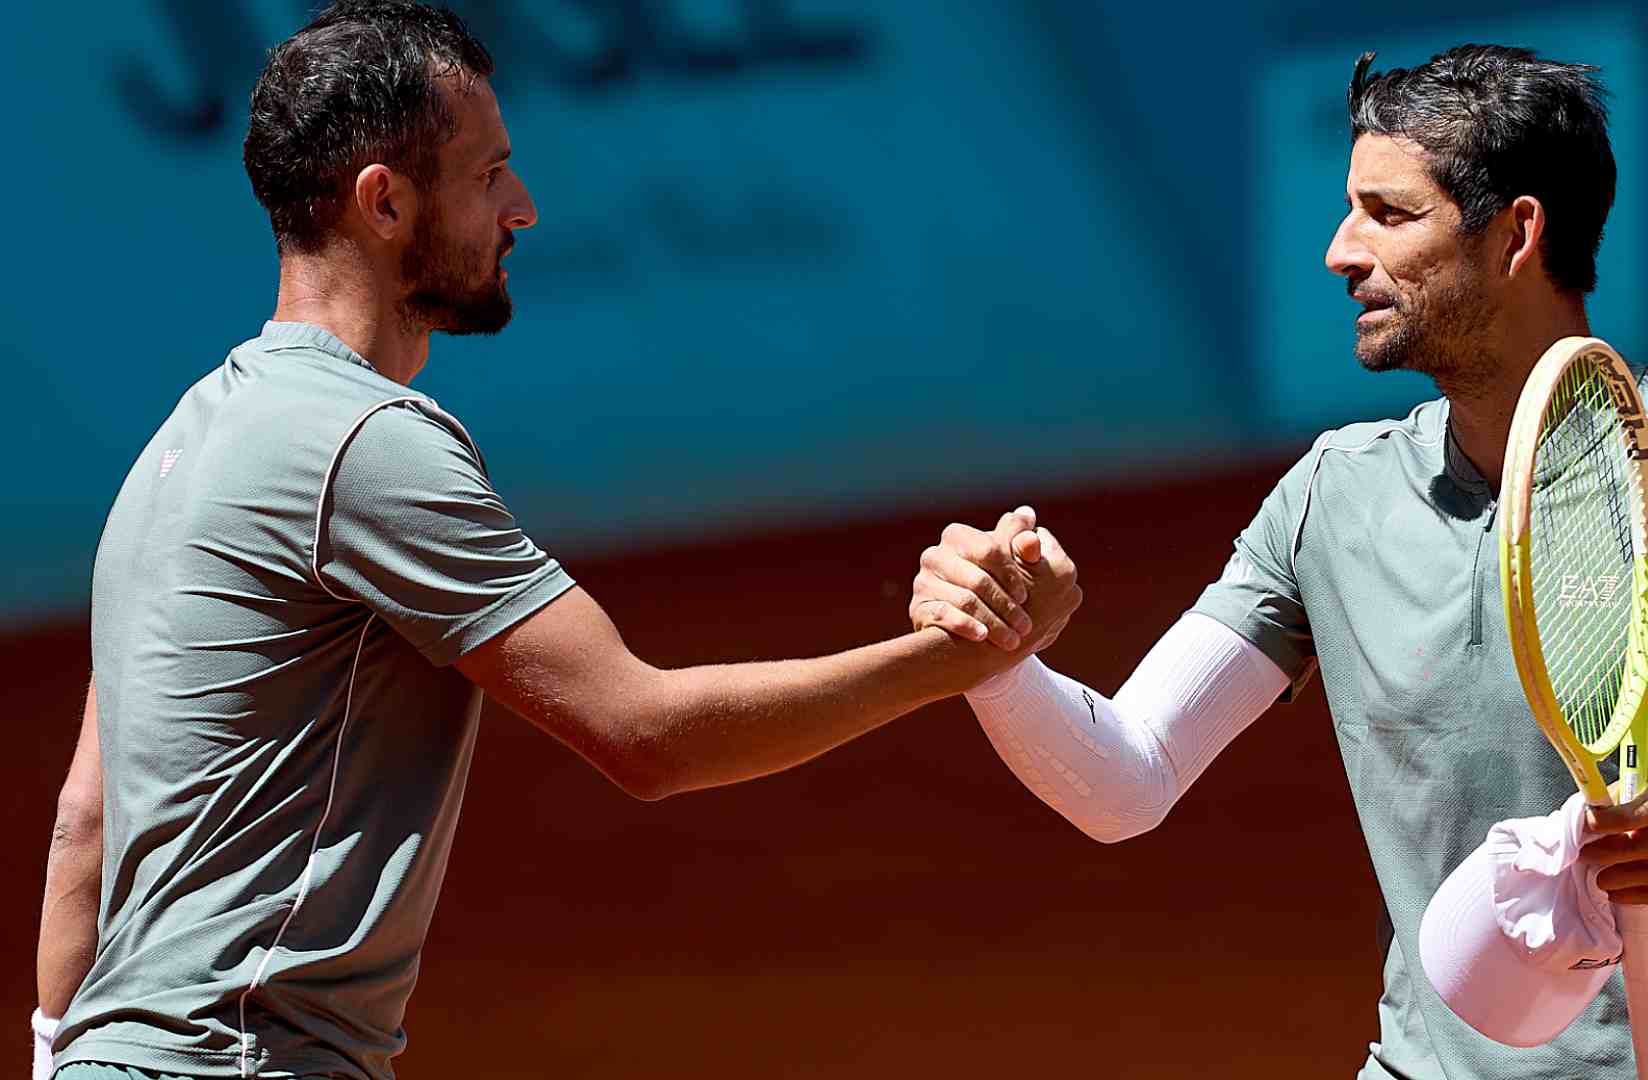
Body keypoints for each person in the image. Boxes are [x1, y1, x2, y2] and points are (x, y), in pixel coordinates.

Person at [32, 4, 1077, 1079]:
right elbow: (644, 736)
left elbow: (84, 827)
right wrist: (958, 659)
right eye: (489, 175)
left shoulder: (169, 456)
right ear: (384, 202)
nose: (523, 209)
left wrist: (55, 1050)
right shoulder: (366, 444)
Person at [909, 44, 1648, 1079]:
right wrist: (996, 654)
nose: (1341, 252)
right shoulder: (1328, 498)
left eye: (1389, 216)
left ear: (1517, 233)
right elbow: (1127, 780)